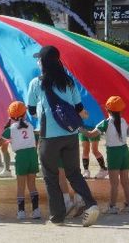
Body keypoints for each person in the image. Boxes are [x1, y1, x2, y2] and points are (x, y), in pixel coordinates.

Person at [27, 45, 99, 226]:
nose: (37, 61)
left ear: (43, 61)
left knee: (50, 176)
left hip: (49, 136)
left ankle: (57, 217)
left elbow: (31, 110)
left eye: (38, 58)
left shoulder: (37, 83)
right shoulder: (68, 81)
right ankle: (91, 204)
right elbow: (79, 107)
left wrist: (42, 114)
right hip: (70, 133)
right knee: (73, 173)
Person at [82, 96, 129, 214]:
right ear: (121, 110)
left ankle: (112, 206)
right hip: (124, 151)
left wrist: (79, 128)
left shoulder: (105, 123)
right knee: (125, 181)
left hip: (113, 153)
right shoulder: (124, 121)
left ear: (107, 109)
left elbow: (90, 135)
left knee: (114, 183)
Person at [2, 101, 41, 220]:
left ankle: (21, 212)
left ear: (11, 116)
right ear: (25, 114)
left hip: (21, 156)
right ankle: (36, 210)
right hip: (32, 155)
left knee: (20, 186)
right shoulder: (30, 126)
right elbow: (35, 141)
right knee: (32, 185)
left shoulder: (11, 128)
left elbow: (2, 139)